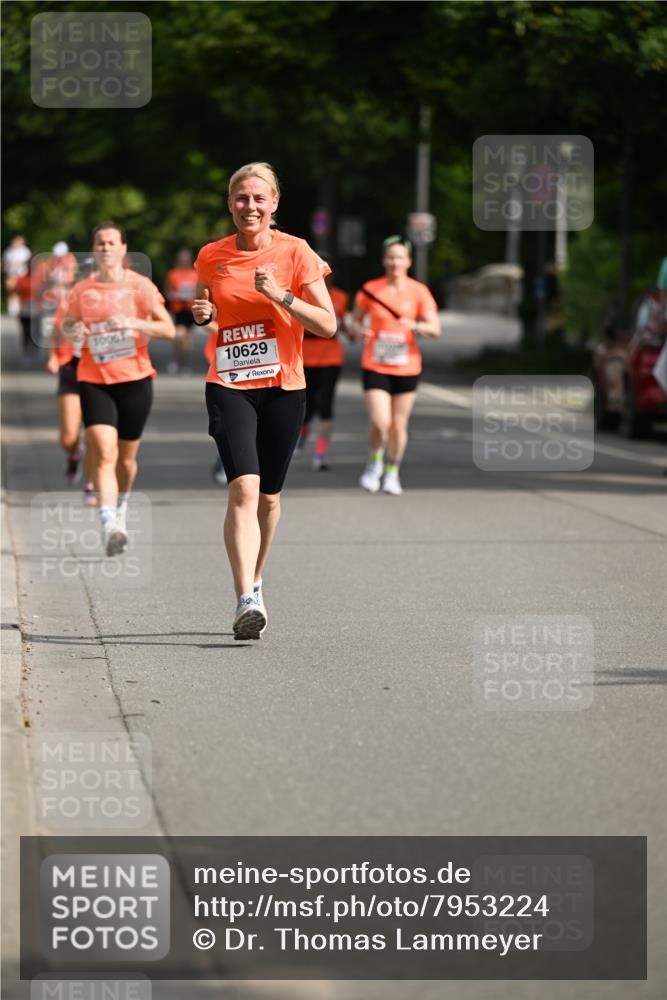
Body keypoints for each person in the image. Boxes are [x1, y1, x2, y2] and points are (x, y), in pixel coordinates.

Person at [193, 161, 336, 640]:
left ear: (274, 203)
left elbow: (328, 325)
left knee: (270, 500)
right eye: (240, 198)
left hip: (284, 387)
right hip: (230, 382)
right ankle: (245, 600)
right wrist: (203, 313)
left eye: (258, 198)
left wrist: (282, 297)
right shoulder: (212, 256)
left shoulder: (296, 252)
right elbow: (209, 304)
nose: (249, 207)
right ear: (230, 203)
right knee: (244, 489)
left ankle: (256, 576)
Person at [62, 222, 175, 555]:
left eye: (112, 243)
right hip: (94, 378)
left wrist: (133, 323)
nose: (106, 248)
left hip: (135, 379)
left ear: (124, 248)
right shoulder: (83, 290)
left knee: (126, 461)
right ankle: (109, 522)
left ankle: (121, 508)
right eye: (100, 243)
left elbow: (167, 329)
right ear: (94, 250)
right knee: (103, 451)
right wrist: (75, 328)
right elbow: (68, 324)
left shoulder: (140, 287)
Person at [349, 235, 440, 495]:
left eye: (400, 257)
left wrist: (416, 325)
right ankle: (374, 464)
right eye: (390, 257)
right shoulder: (370, 289)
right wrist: (360, 330)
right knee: (380, 422)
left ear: (408, 261)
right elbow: (354, 322)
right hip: (375, 363)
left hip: (406, 366)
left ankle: (392, 472)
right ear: (383, 260)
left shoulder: (419, 291)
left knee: (398, 425)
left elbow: (435, 328)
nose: (395, 262)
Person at [46, 260, 97, 502]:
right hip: (71, 369)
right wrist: (53, 357)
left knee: (93, 434)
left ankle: (89, 483)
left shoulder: (110, 303)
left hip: (99, 371)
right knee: (68, 437)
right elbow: (56, 333)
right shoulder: (69, 303)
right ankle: (74, 455)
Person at [296, 262, 349, 470]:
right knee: (306, 407)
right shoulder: (302, 294)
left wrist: (352, 331)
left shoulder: (341, 297)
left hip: (331, 357)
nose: (326, 277)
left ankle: (320, 455)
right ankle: (299, 440)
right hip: (305, 356)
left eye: (328, 273)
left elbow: (341, 324)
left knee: (326, 406)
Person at [165, 248, 198, 373]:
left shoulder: (195, 274)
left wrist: (192, 296)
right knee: (179, 335)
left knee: (187, 338)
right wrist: (175, 295)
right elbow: (167, 292)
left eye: (186, 259)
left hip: (190, 310)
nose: (184, 261)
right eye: (182, 259)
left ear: (189, 260)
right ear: (178, 260)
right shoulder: (173, 274)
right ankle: (176, 360)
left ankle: (184, 363)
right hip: (178, 309)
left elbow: (198, 292)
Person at [2, 235, 31, 317]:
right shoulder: (8, 251)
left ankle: (21, 309)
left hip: (21, 275)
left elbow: (27, 263)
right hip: (10, 274)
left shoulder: (25, 251)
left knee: (20, 292)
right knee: (11, 291)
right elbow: (5, 262)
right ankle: (12, 309)